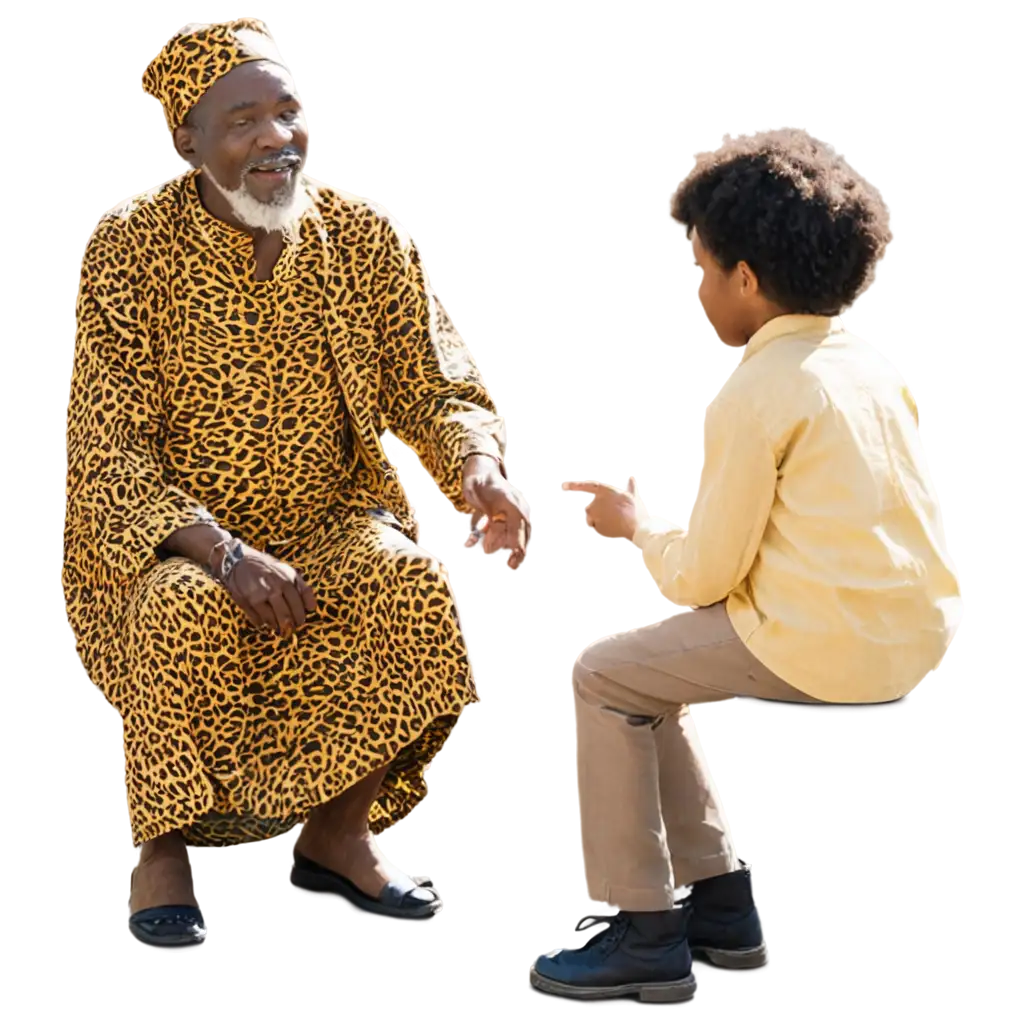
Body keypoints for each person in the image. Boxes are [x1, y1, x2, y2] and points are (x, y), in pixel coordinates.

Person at [62, 17, 529, 949]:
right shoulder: (129, 249)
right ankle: (164, 846)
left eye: (288, 111)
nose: (277, 138)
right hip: (185, 540)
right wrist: (223, 551)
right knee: (175, 613)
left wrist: (477, 467)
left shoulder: (364, 238)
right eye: (243, 121)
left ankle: (338, 831)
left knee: (412, 588)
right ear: (187, 140)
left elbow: (434, 383)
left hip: (328, 519)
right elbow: (104, 446)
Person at [529, 132, 963, 1001]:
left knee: (602, 675)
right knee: (651, 673)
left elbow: (702, 579)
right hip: (910, 632)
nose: (696, 294)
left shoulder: (755, 390)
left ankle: (640, 925)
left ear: (746, 280)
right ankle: (720, 900)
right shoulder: (870, 366)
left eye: (700, 270)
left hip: (827, 645)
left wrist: (635, 525)